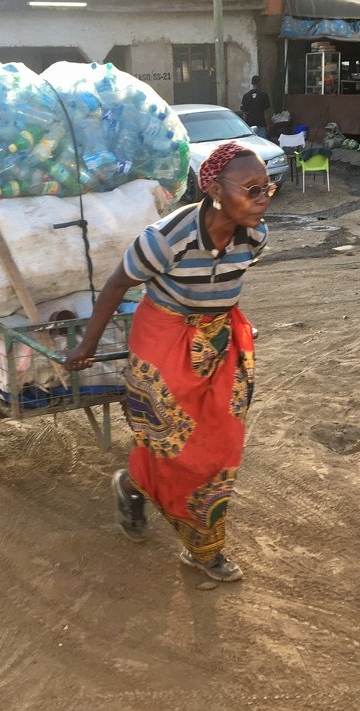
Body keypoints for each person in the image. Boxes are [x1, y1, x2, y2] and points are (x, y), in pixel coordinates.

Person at [64, 142, 274, 582]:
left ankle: (179, 525)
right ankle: (177, 522)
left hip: (219, 344)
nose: (263, 198)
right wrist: (86, 344)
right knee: (173, 445)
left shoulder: (255, 237)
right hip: (163, 342)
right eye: (251, 189)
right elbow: (116, 286)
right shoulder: (165, 238)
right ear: (215, 189)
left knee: (219, 447)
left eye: (267, 187)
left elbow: (223, 288)